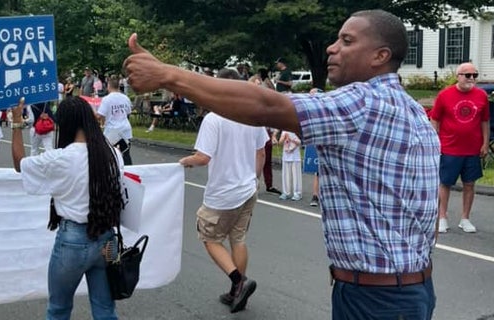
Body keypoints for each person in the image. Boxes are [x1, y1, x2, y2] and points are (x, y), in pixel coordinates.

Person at [124, 9, 439, 319]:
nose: (331, 47)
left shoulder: (363, 103)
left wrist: (168, 75)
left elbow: (264, 104)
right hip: (410, 288)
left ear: (379, 56)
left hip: (376, 299)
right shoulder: (412, 112)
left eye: (346, 41)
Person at [11, 96, 124, 320]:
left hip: (73, 240)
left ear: (65, 124)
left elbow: (19, 164)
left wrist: (16, 122)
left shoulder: (61, 158)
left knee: (59, 309)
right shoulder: (112, 153)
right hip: (106, 237)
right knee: (105, 309)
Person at [179, 68, 267, 313]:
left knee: (209, 237)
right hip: (248, 187)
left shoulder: (214, 118)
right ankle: (236, 291)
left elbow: (203, 157)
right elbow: (261, 152)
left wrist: (184, 162)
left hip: (223, 192)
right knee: (237, 238)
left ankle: (239, 282)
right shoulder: (252, 115)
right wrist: (254, 178)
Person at [430, 62, 490, 233]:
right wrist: (435, 141)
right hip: (449, 147)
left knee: (470, 184)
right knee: (445, 183)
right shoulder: (445, 95)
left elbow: (484, 121)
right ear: (458, 76)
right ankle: (442, 217)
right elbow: (435, 119)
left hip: (472, 148)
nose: (471, 79)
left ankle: (465, 218)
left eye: (474, 75)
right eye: (467, 75)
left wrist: (485, 143)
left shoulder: (481, 96)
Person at [97, 75, 133, 165]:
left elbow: (100, 116)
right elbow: (128, 113)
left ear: (108, 86)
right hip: (125, 130)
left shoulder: (106, 99)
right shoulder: (125, 98)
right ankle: (130, 172)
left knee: (110, 155)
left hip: (112, 132)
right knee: (125, 154)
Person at [276, 130, 302, 201]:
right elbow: (280, 142)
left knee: (296, 176)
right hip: (286, 156)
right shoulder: (284, 131)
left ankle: (297, 193)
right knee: (286, 175)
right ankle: (286, 192)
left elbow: (300, 142)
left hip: (295, 157)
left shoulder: (296, 131)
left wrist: (291, 139)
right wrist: (284, 138)